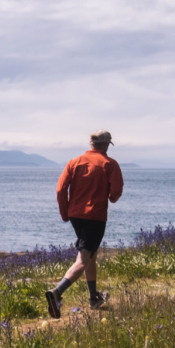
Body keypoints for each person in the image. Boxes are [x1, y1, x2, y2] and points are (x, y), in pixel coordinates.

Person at [45, 130, 123, 318]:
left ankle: (93, 298)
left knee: (91, 255)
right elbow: (116, 193)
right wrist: (111, 196)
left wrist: (65, 213)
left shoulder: (74, 162)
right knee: (83, 259)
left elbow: (60, 189)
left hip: (75, 216)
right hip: (95, 217)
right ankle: (56, 292)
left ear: (91, 144)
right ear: (106, 145)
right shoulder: (109, 164)